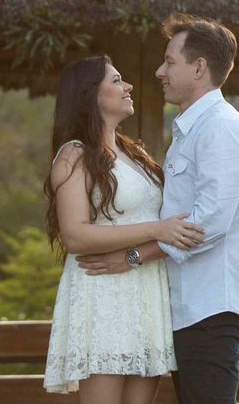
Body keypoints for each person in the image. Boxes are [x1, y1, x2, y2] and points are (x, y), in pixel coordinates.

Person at [76, 15, 239, 404]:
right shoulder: (192, 129)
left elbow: (208, 223)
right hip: (188, 307)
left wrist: (133, 255)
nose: (159, 71)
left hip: (211, 307)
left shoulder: (220, 128)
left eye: (169, 62)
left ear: (199, 67)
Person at [43, 55, 206, 404]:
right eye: (116, 80)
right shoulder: (74, 154)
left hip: (145, 291)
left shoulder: (132, 152)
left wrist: (153, 241)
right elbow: (75, 235)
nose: (128, 86)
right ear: (90, 95)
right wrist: (157, 230)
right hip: (102, 294)